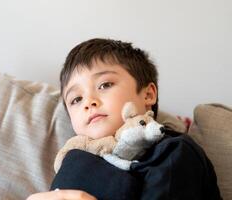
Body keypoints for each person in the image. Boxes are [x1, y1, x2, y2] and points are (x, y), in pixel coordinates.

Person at [27, 38, 222, 200]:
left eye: (104, 85)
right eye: (76, 99)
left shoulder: (175, 151)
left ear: (148, 95)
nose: (89, 102)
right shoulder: (78, 161)